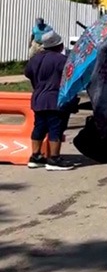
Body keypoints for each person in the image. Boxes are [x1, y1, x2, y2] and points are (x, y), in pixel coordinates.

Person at [24, 30, 74, 171]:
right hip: (55, 100)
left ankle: (35, 156)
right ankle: (54, 158)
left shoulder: (35, 59)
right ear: (59, 45)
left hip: (38, 99)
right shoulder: (61, 60)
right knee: (55, 129)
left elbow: (28, 73)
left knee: (39, 127)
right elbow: (69, 77)